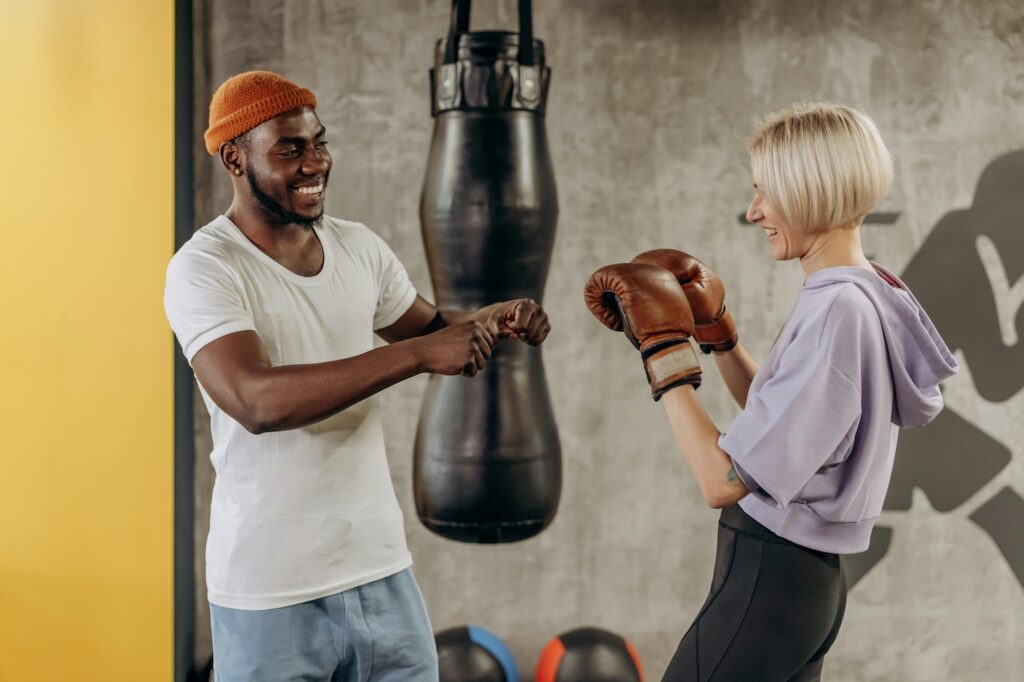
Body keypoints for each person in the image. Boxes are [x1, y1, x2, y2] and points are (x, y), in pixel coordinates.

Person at [164, 70, 550, 682]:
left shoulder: (359, 248)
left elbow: (430, 337)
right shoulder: (204, 267)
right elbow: (253, 400)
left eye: (318, 142)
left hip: (381, 574)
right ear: (235, 158)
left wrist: (488, 321)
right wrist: (420, 356)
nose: (314, 162)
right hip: (271, 591)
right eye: (289, 148)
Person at [584, 102, 958, 681]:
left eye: (767, 192)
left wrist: (661, 349)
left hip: (767, 576)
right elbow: (792, 423)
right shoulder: (864, 292)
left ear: (810, 190)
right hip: (805, 583)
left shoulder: (837, 310)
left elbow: (724, 481)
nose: (755, 210)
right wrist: (719, 336)